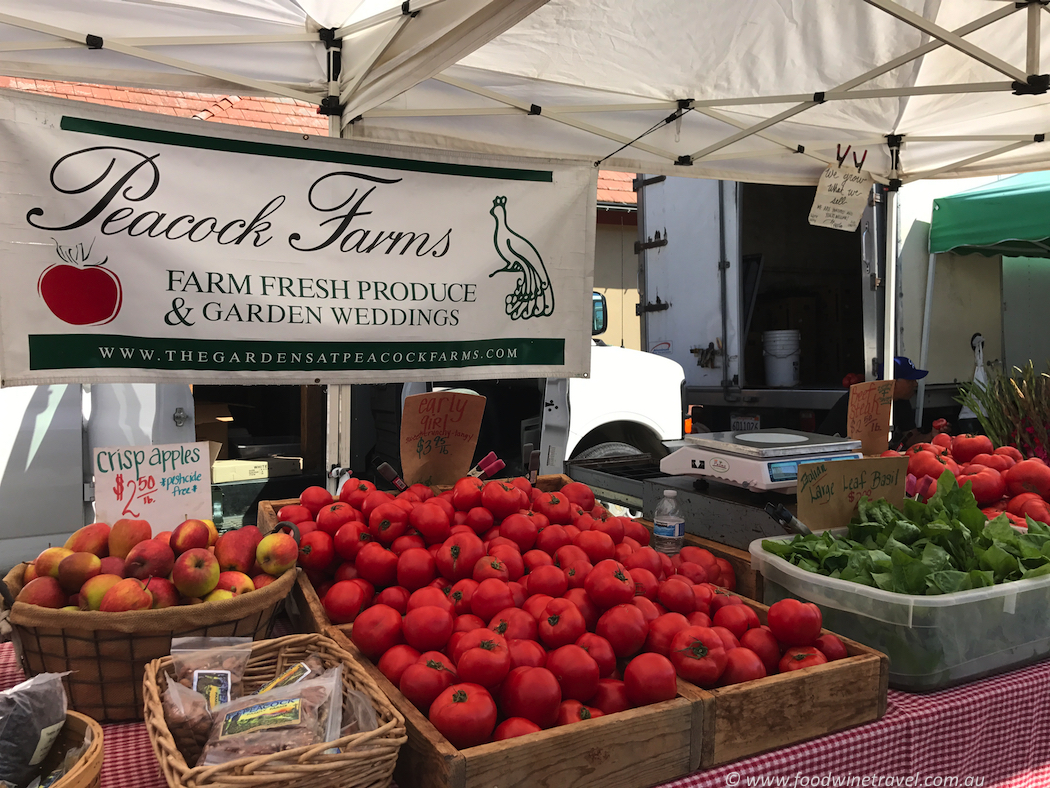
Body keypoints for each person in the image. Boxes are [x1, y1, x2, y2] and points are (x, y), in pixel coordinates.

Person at [816, 356, 940, 449]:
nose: (915, 384)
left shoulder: (902, 402)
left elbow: (911, 438)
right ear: (893, 382)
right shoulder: (864, 401)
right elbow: (867, 448)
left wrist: (931, 436)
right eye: (910, 380)